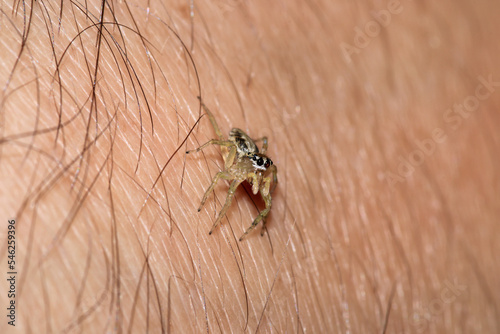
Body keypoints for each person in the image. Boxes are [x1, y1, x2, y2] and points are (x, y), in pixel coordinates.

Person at [1, 1, 498, 332]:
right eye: (257, 175)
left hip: (251, 147)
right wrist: (211, 195)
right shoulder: (235, 160)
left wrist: (262, 204)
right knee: (218, 169)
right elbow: (222, 154)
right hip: (236, 141)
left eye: (261, 175)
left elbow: (270, 175)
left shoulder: (263, 171)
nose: (260, 182)